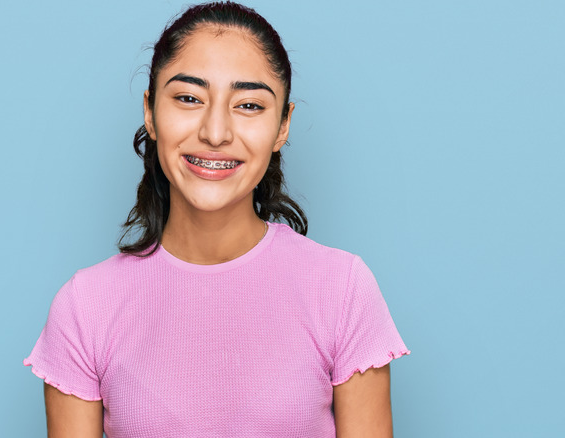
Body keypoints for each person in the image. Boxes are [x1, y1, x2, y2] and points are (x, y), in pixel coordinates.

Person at [24, 2, 409, 436]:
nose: (215, 132)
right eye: (189, 98)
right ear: (150, 112)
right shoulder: (85, 308)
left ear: (283, 125)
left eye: (248, 105)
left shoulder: (343, 291)